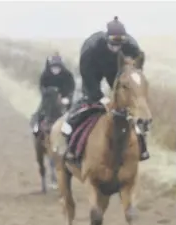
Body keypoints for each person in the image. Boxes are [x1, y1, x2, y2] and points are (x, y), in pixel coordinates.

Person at [61, 16, 149, 162]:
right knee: (88, 100)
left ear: (124, 41)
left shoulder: (132, 47)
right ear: (106, 39)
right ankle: (71, 129)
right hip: (93, 70)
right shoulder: (91, 48)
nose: (116, 48)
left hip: (116, 69)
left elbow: (136, 69)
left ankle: (141, 143)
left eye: (119, 45)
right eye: (113, 44)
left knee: (124, 102)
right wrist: (100, 97)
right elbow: (88, 78)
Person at [30, 52, 75, 136]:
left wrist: (68, 98)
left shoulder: (68, 76)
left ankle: (70, 128)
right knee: (40, 110)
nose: (55, 69)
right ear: (50, 67)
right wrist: (49, 92)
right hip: (48, 99)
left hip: (64, 99)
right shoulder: (45, 75)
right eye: (53, 67)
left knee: (71, 114)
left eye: (57, 67)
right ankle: (36, 125)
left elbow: (71, 88)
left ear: (61, 67)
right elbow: (42, 87)